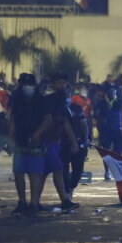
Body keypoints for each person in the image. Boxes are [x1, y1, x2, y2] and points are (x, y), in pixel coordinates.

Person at [32, 73, 80, 211]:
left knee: (43, 173)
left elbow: (65, 124)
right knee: (58, 169)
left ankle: (35, 203)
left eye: (64, 83)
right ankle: (64, 201)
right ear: (53, 84)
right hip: (47, 142)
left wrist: (73, 141)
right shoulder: (48, 101)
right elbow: (51, 121)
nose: (62, 86)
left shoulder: (61, 102)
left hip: (54, 142)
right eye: (59, 83)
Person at [8, 73, 47, 215]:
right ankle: (22, 202)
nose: (26, 87)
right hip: (20, 141)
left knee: (34, 174)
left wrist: (37, 134)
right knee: (18, 173)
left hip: (36, 143)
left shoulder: (40, 100)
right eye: (24, 84)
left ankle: (34, 204)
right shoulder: (17, 99)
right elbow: (12, 120)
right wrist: (10, 138)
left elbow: (47, 120)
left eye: (29, 84)